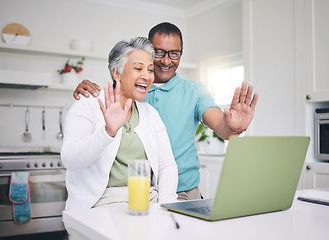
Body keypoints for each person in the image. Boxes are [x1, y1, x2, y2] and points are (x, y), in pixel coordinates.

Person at [72, 22, 259, 201]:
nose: (166, 60)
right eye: (159, 52)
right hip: (140, 192)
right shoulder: (134, 88)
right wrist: (87, 90)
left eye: (174, 53)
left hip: (183, 191)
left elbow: (221, 126)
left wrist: (234, 128)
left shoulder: (194, 91)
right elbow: (108, 94)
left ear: (181, 54)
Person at [61, 37, 178, 210]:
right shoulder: (88, 103)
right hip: (101, 203)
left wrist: (167, 207)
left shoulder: (150, 113)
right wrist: (108, 132)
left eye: (150, 70)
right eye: (138, 68)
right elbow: (69, 160)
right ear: (116, 73)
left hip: (148, 199)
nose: (146, 76)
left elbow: (166, 165)